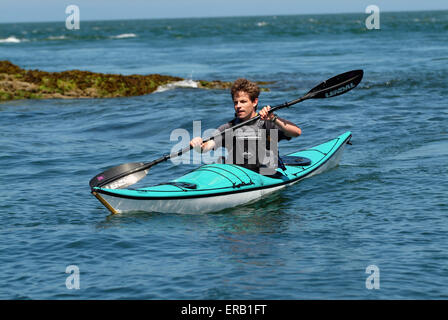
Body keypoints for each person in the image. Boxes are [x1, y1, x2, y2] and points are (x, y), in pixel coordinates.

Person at [190, 78, 301, 175]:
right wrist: (197, 144)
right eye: (236, 102)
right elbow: (206, 147)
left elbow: (296, 132)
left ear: (254, 102)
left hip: (267, 175)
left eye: (243, 101)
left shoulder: (268, 123)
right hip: (239, 177)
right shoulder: (228, 128)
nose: (238, 106)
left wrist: (274, 119)